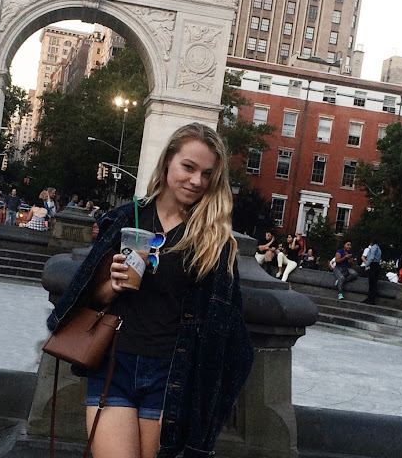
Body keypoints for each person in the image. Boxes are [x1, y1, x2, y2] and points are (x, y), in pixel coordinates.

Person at [47, 123, 253, 458]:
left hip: (171, 377)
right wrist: (112, 286)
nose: (196, 181)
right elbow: (91, 299)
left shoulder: (214, 240)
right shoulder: (126, 219)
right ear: (169, 160)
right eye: (188, 167)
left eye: (207, 174)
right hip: (114, 365)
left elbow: (227, 330)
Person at [363, 240, 382, 304]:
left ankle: (370, 299)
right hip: (377, 265)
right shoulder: (379, 248)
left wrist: (366, 265)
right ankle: (372, 299)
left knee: (371, 283)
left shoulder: (373, 248)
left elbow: (371, 258)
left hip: (373, 265)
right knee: (374, 283)